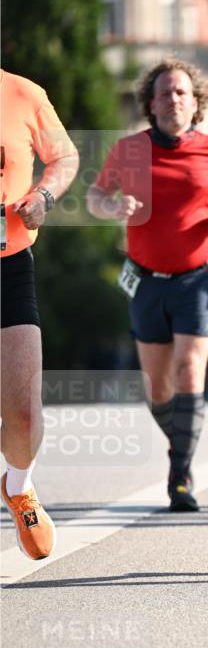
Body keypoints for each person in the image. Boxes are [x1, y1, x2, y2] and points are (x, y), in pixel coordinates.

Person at [87, 59, 208, 511]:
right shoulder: (130, 149)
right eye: (164, 93)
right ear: (151, 103)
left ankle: (180, 475)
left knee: (189, 368)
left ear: (196, 101)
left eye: (181, 92)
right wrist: (113, 208)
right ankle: (182, 442)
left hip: (201, 275)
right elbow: (95, 196)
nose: (173, 100)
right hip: (146, 280)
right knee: (157, 389)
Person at [0, 69, 79, 558]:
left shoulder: (22, 93)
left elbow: (65, 157)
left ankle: (19, 485)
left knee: (25, 414)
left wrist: (43, 196)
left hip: (8, 264)